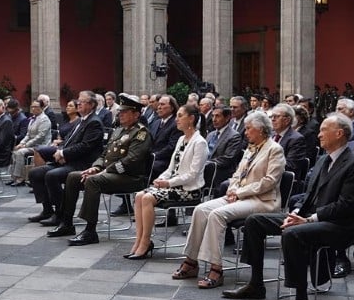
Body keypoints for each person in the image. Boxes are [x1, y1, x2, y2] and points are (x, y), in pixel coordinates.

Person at [231, 114, 354, 300]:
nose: (319, 134)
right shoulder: (324, 159)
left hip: (339, 225)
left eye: (324, 130)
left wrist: (309, 219)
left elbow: (346, 206)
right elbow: (306, 196)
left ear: (339, 133)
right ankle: (256, 283)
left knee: (293, 233)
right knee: (254, 221)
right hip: (309, 218)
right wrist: (296, 213)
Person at [170, 112, 284, 288]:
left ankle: (216, 269)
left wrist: (240, 193)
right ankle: (191, 261)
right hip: (240, 196)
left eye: (248, 128)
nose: (245, 132)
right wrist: (232, 189)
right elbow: (238, 174)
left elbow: (269, 182)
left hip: (263, 200)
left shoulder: (274, 149)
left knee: (217, 214)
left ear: (261, 129)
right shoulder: (251, 148)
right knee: (201, 209)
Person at [48, 94, 152, 245]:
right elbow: (104, 154)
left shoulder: (141, 133)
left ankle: (90, 230)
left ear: (136, 114)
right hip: (111, 173)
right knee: (73, 177)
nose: (120, 114)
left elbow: (131, 160)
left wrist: (105, 171)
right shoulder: (119, 131)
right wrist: (95, 167)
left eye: (125, 112)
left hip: (131, 177)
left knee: (93, 181)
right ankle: (67, 222)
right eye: (120, 111)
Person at [124, 104, 209, 256]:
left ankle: (145, 242)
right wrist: (161, 178)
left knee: (148, 197)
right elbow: (171, 168)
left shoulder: (200, 142)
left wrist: (168, 183)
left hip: (189, 190)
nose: (176, 119)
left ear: (191, 119)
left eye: (180, 116)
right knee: (139, 196)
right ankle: (139, 239)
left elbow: (192, 175)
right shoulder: (182, 139)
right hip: (174, 186)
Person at [27, 91, 105, 222]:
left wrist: (63, 153)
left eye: (82, 101)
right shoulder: (81, 120)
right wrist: (61, 151)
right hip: (69, 160)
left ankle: (61, 213)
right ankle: (47, 210)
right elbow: (69, 141)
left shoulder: (94, 122)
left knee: (52, 175)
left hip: (82, 164)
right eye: (78, 101)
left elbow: (85, 146)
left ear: (91, 105)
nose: (78, 103)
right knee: (35, 173)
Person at [8, 99, 52, 186]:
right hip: (31, 144)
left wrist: (25, 145)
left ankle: (20, 178)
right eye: (32, 107)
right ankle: (13, 177)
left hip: (41, 145)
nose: (33, 109)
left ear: (42, 107)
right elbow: (28, 134)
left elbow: (40, 137)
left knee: (20, 152)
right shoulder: (32, 119)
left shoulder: (44, 119)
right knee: (15, 150)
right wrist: (21, 143)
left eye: (36, 107)